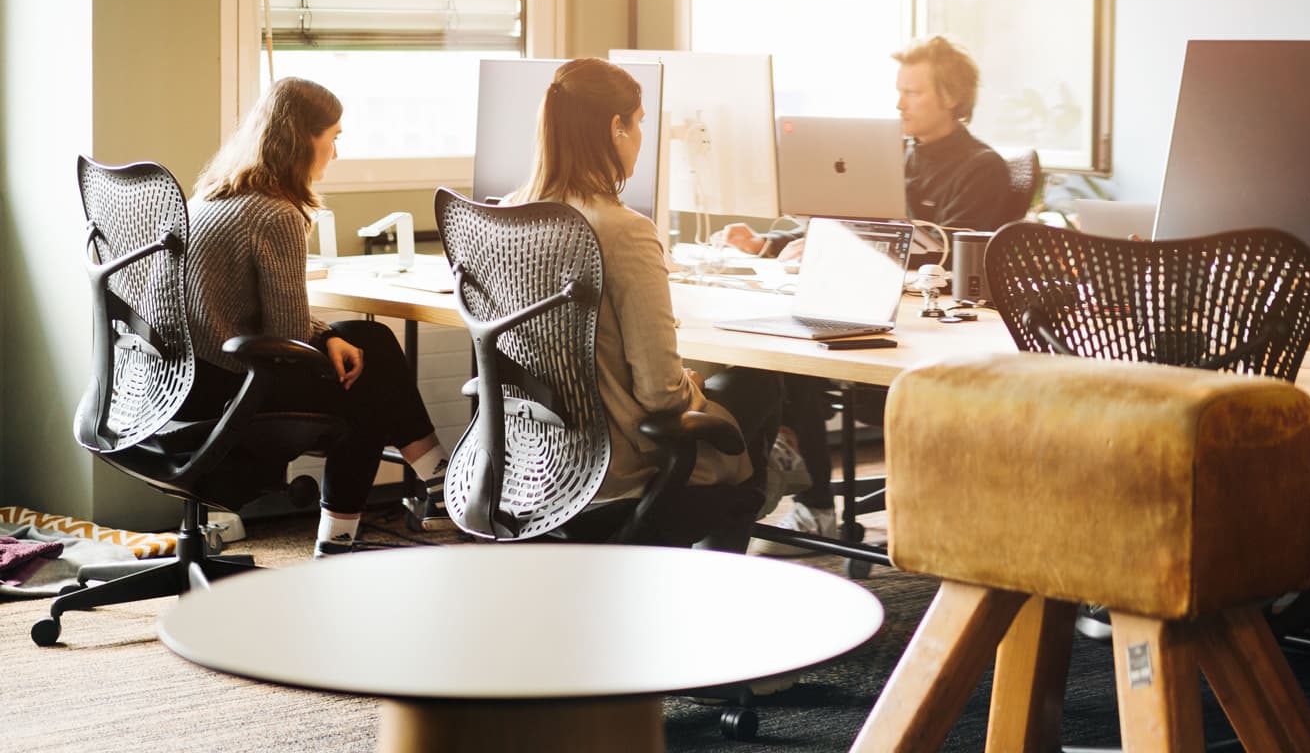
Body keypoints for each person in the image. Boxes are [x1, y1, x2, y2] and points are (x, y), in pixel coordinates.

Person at [725, 35, 1021, 551]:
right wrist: (773, 243)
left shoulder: (982, 167)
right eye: (898, 90)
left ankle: (807, 498)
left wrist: (853, 250)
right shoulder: (895, 155)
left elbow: (944, 256)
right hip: (871, 305)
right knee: (783, 353)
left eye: (913, 92)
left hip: (929, 328)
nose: (899, 103)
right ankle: (812, 506)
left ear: (950, 97)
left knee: (799, 355)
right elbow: (851, 216)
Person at [513, 57, 782, 550]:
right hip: (617, 469)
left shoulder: (507, 216)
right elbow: (661, 396)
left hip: (532, 464)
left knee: (737, 399)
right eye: (638, 124)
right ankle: (707, 567)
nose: (640, 137)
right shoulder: (625, 231)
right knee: (762, 389)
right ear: (616, 128)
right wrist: (687, 384)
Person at [185, 78, 452, 559]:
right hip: (230, 385)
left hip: (189, 380)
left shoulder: (215, 194)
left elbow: (271, 320)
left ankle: (434, 487)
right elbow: (287, 334)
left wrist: (328, 334)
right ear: (302, 138)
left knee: (368, 339)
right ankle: (433, 488)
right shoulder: (275, 214)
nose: (335, 151)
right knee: (367, 382)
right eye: (333, 137)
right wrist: (323, 337)